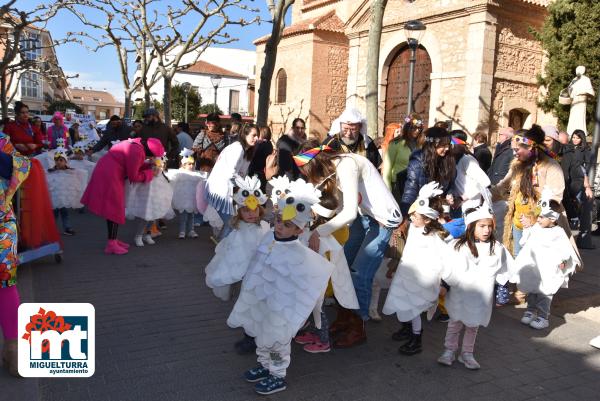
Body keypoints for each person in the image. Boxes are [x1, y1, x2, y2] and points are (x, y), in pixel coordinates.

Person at [227, 179, 334, 395]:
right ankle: (265, 365)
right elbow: (257, 265)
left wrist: (300, 312)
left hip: (282, 311)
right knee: (261, 333)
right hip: (264, 301)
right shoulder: (268, 237)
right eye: (278, 221)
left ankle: (277, 374)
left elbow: (311, 279)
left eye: (287, 225)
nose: (279, 226)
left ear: (298, 229)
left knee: (277, 341)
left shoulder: (300, 252)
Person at [297, 141, 402, 347]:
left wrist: (318, 231)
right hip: (365, 217)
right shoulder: (334, 168)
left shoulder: (346, 165)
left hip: (383, 219)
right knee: (342, 267)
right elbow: (338, 207)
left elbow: (348, 212)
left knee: (359, 274)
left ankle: (358, 326)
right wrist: (306, 214)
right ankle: (345, 317)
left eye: (305, 171)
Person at [437, 198, 513, 369]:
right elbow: (450, 269)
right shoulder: (458, 246)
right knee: (455, 323)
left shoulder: (497, 248)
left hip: (481, 297)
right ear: (471, 226)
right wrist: (444, 286)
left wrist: (502, 293)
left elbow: (503, 271)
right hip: (460, 295)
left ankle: (467, 354)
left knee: (473, 326)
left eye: (489, 226)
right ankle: (449, 350)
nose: (487, 230)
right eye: (482, 226)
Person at [383, 182, 452, 355]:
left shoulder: (434, 238)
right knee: (403, 304)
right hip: (406, 275)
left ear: (427, 219)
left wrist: (443, 283)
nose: (412, 217)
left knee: (413, 309)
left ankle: (416, 339)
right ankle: (406, 329)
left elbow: (443, 260)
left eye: (416, 215)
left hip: (421, 280)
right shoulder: (415, 227)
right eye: (412, 214)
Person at [294, 191, 359, 354]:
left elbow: (321, 260)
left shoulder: (323, 237)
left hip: (320, 284)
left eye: (312, 211)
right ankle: (316, 333)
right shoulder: (318, 232)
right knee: (312, 309)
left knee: (319, 311)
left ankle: (324, 341)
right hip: (314, 281)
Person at [81, 138, 165, 255]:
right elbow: (134, 176)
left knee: (114, 208)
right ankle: (111, 244)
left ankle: (114, 240)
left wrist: (147, 166)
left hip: (108, 171)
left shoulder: (136, 145)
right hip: (110, 176)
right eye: (152, 156)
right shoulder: (137, 151)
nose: (151, 158)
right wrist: (150, 173)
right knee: (114, 209)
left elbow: (132, 165)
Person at [512, 189, 580, 330]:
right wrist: (526, 227)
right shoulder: (536, 227)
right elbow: (526, 240)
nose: (538, 219)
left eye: (542, 217)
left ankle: (543, 316)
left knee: (545, 293)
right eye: (538, 216)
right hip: (535, 267)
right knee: (532, 289)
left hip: (548, 269)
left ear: (553, 218)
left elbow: (566, 251)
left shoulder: (558, 233)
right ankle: (530, 310)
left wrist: (563, 262)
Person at [205, 175, 269, 301]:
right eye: (246, 211)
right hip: (241, 263)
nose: (251, 214)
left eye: (254, 210)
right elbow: (234, 247)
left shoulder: (264, 226)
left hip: (257, 265)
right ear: (239, 213)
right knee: (241, 284)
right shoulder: (239, 229)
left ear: (259, 210)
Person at [0, 133, 31, 377]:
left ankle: (14, 350)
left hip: (2, 226)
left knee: (6, 286)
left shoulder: (3, 142)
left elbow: (20, 166)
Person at [205, 124, 258, 240]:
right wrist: (243, 188)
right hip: (218, 189)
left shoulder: (247, 150)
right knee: (231, 222)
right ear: (244, 135)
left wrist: (246, 188)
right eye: (254, 135)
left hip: (227, 190)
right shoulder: (237, 148)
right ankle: (221, 246)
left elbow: (242, 174)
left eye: (257, 135)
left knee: (232, 222)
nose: (257, 138)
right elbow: (231, 173)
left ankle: (221, 244)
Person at [401, 126, 456, 216]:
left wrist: (450, 195)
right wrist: (405, 215)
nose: (447, 148)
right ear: (432, 145)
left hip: (440, 210)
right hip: (421, 210)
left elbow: (451, 184)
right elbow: (410, 190)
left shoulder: (448, 160)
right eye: (443, 145)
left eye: (448, 145)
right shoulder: (417, 163)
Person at [125, 155, 174, 247]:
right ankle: (138, 235)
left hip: (157, 194)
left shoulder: (162, 173)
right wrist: (150, 162)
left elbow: (162, 175)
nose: (158, 168)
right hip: (147, 193)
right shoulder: (148, 163)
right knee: (145, 216)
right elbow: (142, 167)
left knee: (155, 215)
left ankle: (147, 234)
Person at [46, 148, 87, 236]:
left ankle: (67, 228)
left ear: (65, 161)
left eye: (61, 160)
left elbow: (79, 174)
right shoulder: (51, 172)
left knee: (65, 213)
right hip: (55, 198)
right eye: (56, 160)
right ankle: (51, 229)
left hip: (64, 199)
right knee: (54, 215)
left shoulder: (70, 172)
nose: (58, 162)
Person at [165, 148, 205, 239]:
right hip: (183, 198)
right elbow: (172, 179)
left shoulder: (196, 174)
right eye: (189, 164)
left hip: (192, 198)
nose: (191, 166)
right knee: (183, 216)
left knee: (191, 215)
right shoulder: (180, 173)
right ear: (183, 165)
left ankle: (191, 230)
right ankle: (182, 231)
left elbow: (201, 182)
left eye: (192, 164)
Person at [382, 115, 425, 201]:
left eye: (419, 128)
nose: (417, 131)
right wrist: (387, 191)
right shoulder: (396, 143)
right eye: (413, 128)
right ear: (407, 127)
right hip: (397, 186)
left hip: (415, 185)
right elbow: (387, 169)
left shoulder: (421, 144)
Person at [487, 127, 515, 237]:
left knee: (500, 218)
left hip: (501, 185)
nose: (499, 136)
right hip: (494, 183)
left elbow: (511, 168)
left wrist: (503, 183)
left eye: (500, 134)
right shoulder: (500, 147)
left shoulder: (510, 149)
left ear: (507, 137)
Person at [570, 129, 595, 249]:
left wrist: (587, 185)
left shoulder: (585, 151)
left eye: (577, 138)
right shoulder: (568, 148)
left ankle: (579, 225)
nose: (575, 139)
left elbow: (586, 169)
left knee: (579, 204)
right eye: (573, 137)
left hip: (579, 182)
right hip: (569, 181)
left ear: (582, 139)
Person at [248, 126, 274, 191]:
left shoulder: (261, 144)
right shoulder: (269, 143)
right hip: (263, 171)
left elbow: (254, 156)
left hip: (257, 171)